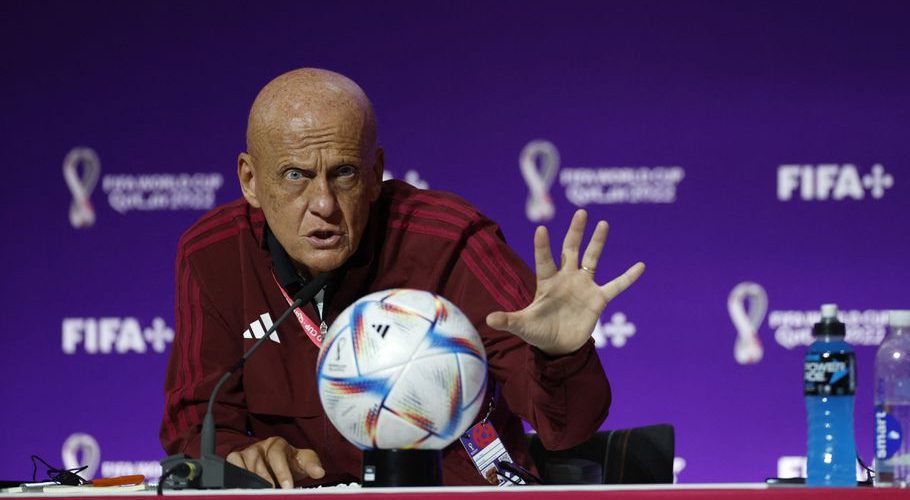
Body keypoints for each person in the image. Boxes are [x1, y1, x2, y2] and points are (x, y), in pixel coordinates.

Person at [160, 68, 645, 488]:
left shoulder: (447, 240)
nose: (324, 204)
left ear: (374, 175)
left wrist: (560, 355)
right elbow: (194, 420)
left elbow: (565, 429)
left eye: (344, 173)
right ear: (249, 180)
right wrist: (236, 456)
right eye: (295, 176)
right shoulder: (213, 255)